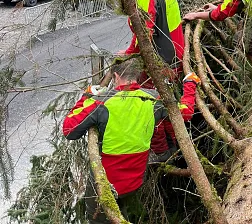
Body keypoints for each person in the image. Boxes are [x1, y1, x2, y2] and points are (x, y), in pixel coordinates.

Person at [63, 58, 200, 223]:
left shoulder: (101, 102)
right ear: (138, 76)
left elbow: (69, 130)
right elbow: (185, 113)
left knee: (100, 219)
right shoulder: (153, 100)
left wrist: (86, 95)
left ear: (115, 76)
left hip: (105, 185)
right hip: (134, 182)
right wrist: (190, 84)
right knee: (119, 214)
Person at [119, 0, 185, 162]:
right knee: (167, 104)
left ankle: (163, 151)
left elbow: (144, 32)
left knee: (149, 103)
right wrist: (130, 49)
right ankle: (176, 148)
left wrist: (131, 54)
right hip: (174, 52)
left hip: (163, 59)